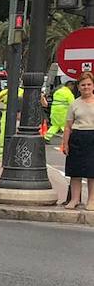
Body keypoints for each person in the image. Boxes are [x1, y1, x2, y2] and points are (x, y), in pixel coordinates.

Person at [60, 71, 94, 210]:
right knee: (75, 171)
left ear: (93, 86)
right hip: (77, 137)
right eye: (83, 85)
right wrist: (65, 143)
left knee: (92, 172)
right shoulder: (74, 104)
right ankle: (74, 200)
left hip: (92, 136)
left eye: (89, 84)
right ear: (78, 87)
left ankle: (91, 201)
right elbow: (68, 126)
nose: (86, 87)